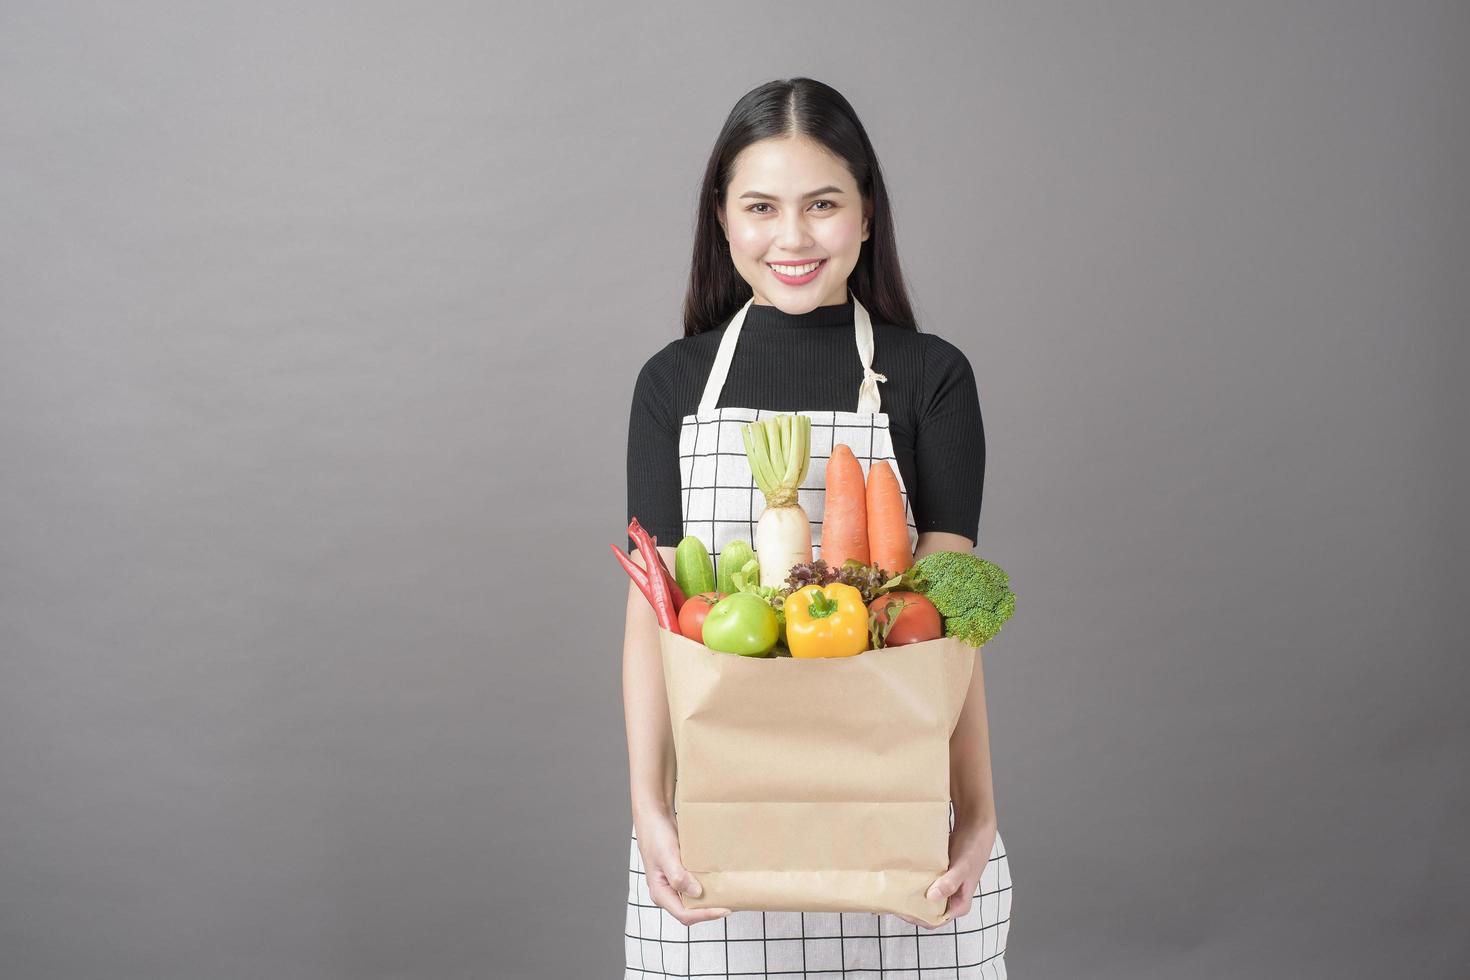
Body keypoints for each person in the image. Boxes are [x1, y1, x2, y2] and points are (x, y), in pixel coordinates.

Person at [622, 77, 1012, 979]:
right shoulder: (672, 388)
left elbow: (949, 630)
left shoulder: (931, 379)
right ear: (722, 220)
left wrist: (977, 813)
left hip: (902, 827)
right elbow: (651, 616)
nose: (791, 238)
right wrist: (651, 811)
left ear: (866, 216)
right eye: (761, 207)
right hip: (719, 832)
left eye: (823, 205)